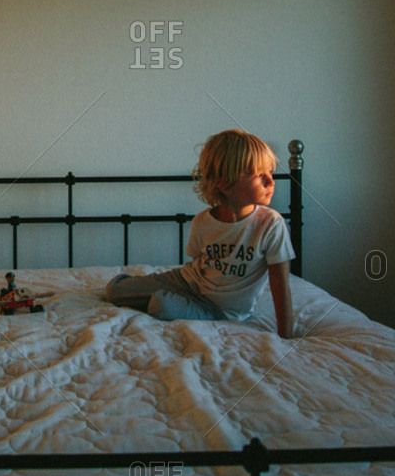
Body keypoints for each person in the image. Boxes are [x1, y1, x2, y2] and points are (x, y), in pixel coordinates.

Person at [106, 129, 295, 337]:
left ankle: (168, 299)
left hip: (221, 310)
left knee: (161, 305)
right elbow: (197, 261)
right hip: (187, 282)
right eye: (260, 176)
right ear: (225, 183)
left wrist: (286, 335)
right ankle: (150, 290)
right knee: (115, 291)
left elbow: (280, 283)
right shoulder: (203, 221)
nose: (271, 181)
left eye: (271, 173)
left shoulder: (271, 225)